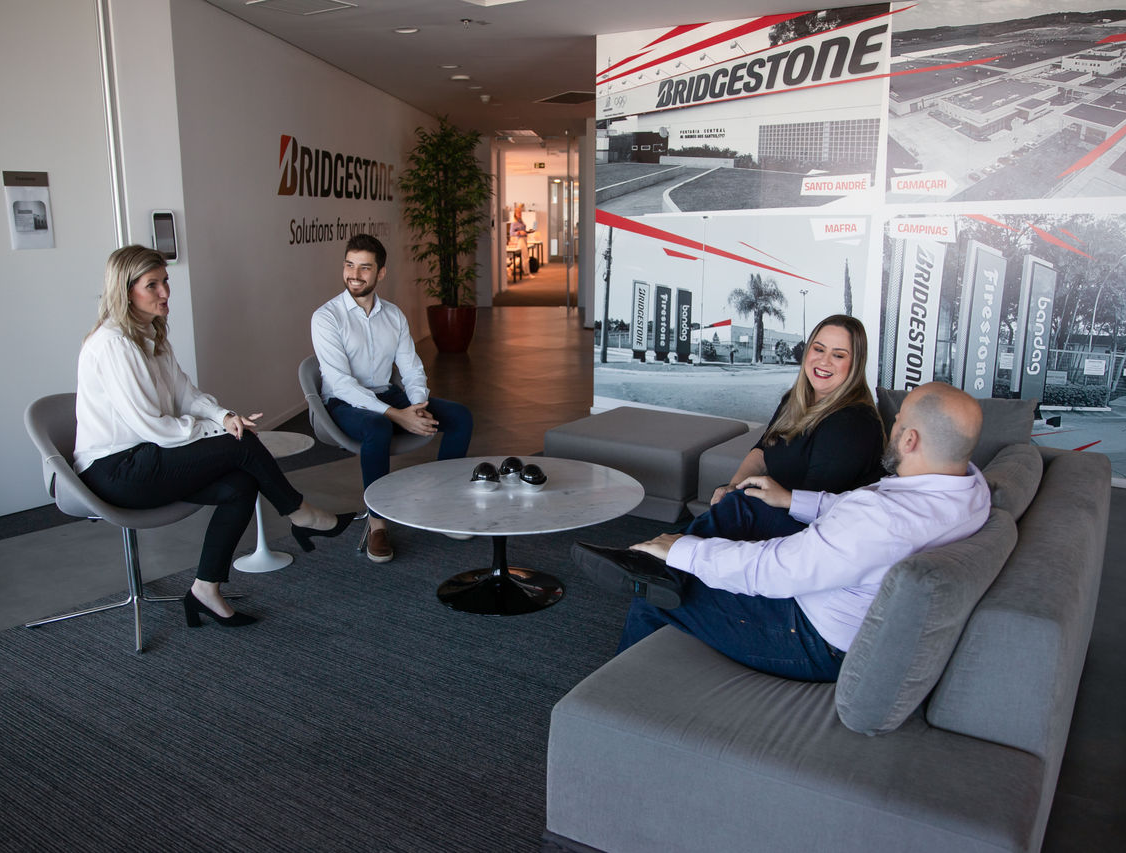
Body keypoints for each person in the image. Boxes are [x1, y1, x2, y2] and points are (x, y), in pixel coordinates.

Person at [571, 382, 990, 682]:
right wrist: (793, 500)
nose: (893, 426)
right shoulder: (970, 487)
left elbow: (775, 572)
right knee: (747, 502)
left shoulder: (882, 517)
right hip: (843, 586)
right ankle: (655, 565)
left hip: (812, 638)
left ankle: (613, 700)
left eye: (898, 422)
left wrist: (684, 549)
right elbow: (862, 527)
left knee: (655, 600)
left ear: (910, 439)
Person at [75, 246, 353, 629]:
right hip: (115, 470)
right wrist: (219, 430)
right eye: (152, 285)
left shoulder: (150, 336)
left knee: (240, 484)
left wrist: (223, 415)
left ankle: (205, 589)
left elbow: (185, 394)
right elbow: (152, 426)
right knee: (240, 445)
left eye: (165, 282)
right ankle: (301, 513)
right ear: (125, 291)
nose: (164, 293)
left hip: (147, 458)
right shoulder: (113, 344)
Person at [311, 233, 473, 563]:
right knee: (377, 428)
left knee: (461, 417)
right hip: (343, 404)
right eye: (349, 265)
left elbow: (412, 368)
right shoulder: (326, 317)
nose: (354, 274)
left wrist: (418, 406)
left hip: (388, 394)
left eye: (364, 268)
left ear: (380, 273)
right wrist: (398, 416)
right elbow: (341, 384)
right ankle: (377, 523)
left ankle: (444, 506)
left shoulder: (394, 315)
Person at [686, 314, 884, 544]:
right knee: (731, 501)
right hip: (783, 514)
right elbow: (762, 449)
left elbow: (813, 507)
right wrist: (733, 486)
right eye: (819, 349)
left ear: (855, 364)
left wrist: (745, 499)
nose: (824, 361)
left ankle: (670, 556)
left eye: (838, 355)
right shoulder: (795, 400)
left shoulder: (853, 422)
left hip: (825, 533)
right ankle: (670, 554)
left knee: (739, 508)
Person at [510, 206, 533, 278]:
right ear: (515, 214)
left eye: (520, 213)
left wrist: (526, 232)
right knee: (525, 256)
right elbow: (511, 233)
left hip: (525, 239)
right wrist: (519, 232)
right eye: (518, 213)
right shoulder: (514, 222)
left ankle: (510, 268)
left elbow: (523, 230)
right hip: (520, 240)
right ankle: (527, 273)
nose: (519, 214)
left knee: (522, 257)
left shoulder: (521, 221)